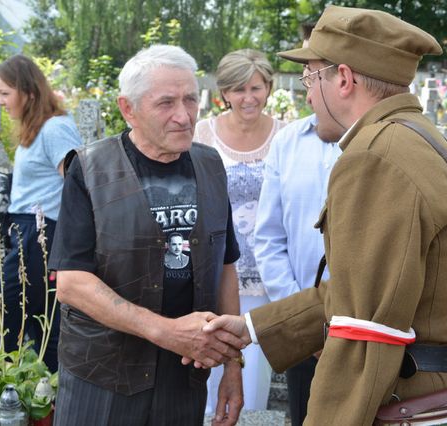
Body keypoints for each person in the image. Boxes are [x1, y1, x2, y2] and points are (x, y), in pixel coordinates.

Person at [200, 6, 447, 425]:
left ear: (343, 79)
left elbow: (368, 326)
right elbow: (365, 292)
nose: (306, 94)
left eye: (310, 77)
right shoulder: (419, 139)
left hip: (409, 397)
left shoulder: (376, 157)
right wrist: (253, 328)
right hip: (443, 388)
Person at [49, 44, 245, 426]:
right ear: (128, 109)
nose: (183, 116)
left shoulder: (210, 164)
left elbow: (226, 265)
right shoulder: (90, 169)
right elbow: (71, 283)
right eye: (166, 103)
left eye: (191, 99)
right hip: (103, 377)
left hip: (183, 378)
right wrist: (166, 331)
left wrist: (233, 367)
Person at [253, 22, 341, 426]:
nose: (305, 82)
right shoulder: (288, 142)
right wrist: (304, 316)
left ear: (344, 78)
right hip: (305, 330)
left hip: (365, 331)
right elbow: (269, 237)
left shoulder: (385, 143)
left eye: (312, 73)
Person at [193, 49, 285, 414]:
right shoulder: (204, 133)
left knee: (253, 373)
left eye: (256, 88)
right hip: (217, 271)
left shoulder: (284, 136)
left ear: (268, 89)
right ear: (225, 93)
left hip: (265, 273)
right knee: (210, 368)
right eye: (239, 90)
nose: (248, 98)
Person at [0, 55, 82, 373]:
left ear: (27, 92)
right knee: (39, 326)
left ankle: (15, 400)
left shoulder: (55, 128)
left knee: (4, 326)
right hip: (27, 230)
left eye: (4, 93)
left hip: (39, 235)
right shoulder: (37, 129)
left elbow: (79, 183)